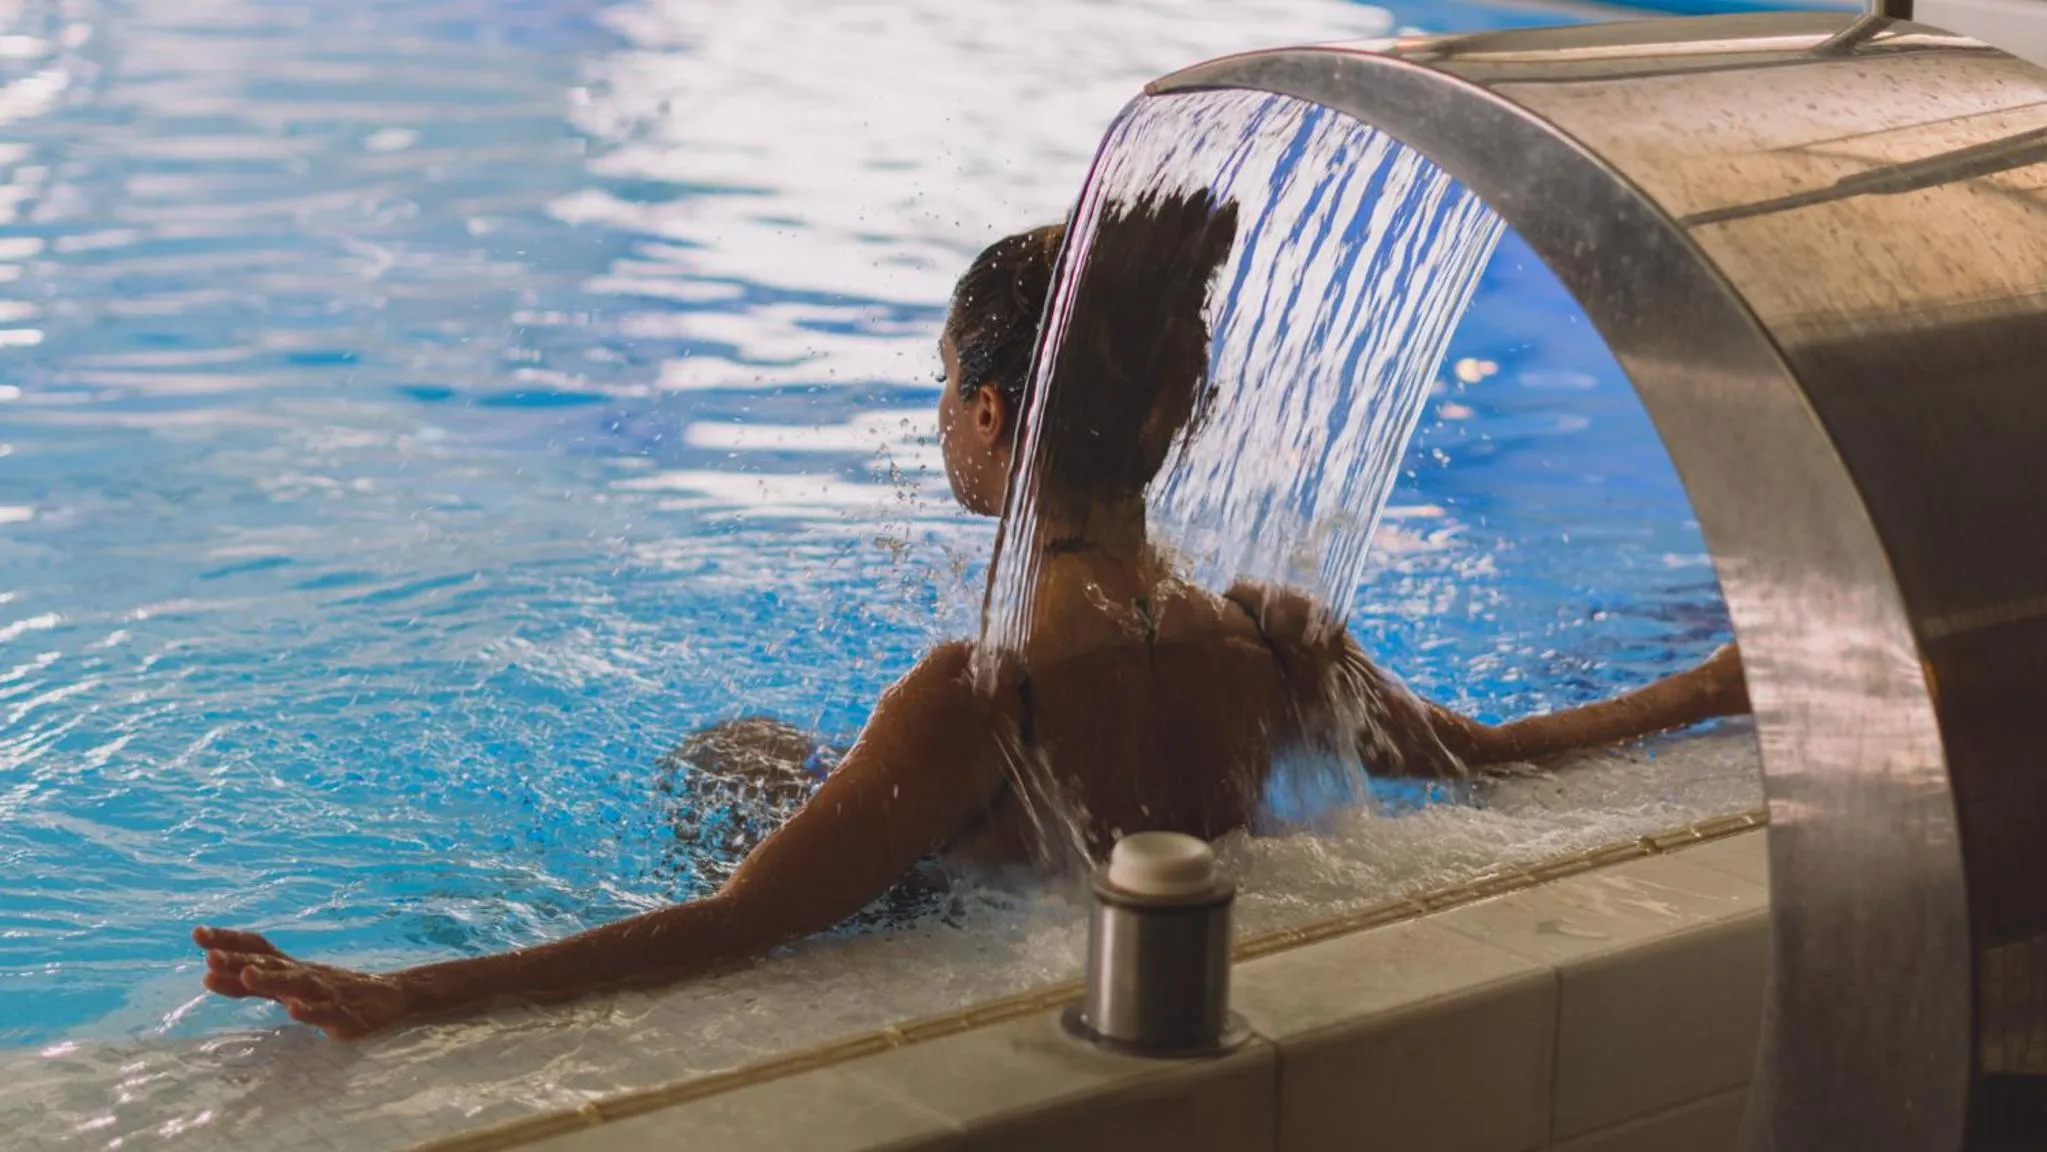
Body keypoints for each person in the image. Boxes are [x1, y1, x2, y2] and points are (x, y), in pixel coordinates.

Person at [193, 190, 1751, 1038]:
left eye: (946, 387)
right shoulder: (1274, 647)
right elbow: (1492, 758)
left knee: (723, 759)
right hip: (1117, 909)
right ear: (1176, 414)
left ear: (993, 416)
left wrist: (407, 992)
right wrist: (1710, 686)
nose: (940, 413)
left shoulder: (981, 696)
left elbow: (735, 930)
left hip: (948, 926)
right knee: (763, 749)